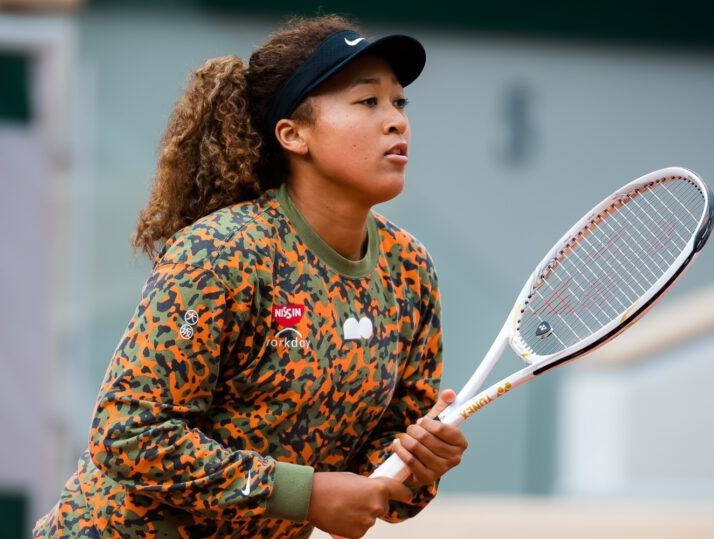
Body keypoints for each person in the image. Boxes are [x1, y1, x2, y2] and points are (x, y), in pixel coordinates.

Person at [34, 14, 467, 539]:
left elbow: (377, 475)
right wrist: (303, 495)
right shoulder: (222, 253)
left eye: (399, 103)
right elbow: (130, 433)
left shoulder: (410, 271)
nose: (396, 120)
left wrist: (417, 466)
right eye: (367, 101)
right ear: (294, 134)